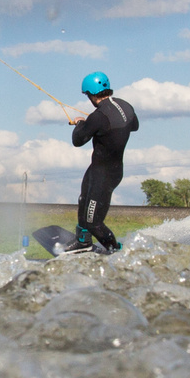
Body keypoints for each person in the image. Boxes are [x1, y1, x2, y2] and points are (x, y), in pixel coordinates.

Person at [65, 70, 138, 253]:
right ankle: (83, 242)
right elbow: (134, 126)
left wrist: (81, 123)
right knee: (83, 199)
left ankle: (118, 252)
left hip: (105, 176)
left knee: (93, 222)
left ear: (90, 95)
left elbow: (77, 140)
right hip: (101, 170)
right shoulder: (126, 106)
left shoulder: (98, 117)